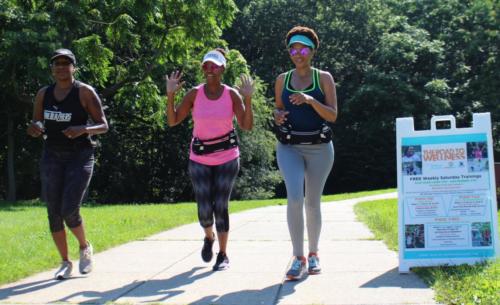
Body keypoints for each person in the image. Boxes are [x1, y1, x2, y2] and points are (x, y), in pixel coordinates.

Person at [166, 48, 255, 271]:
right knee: (204, 209)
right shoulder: (195, 94)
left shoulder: (231, 95)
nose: (210, 70)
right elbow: (173, 120)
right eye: (206, 66)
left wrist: (248, 98)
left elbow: (246, 125)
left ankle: (223, 255)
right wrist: (170, 95)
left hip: (227, 157)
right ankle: (209, 237)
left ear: (223, 68)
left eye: (214, 66)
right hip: (200, 158)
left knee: (221, 205)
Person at [26, 48, 109, 280]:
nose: (61, 67)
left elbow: (104, 125)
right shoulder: (44, 93)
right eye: (57, 63)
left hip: (80, 155)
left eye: (66, 63)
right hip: (52, 154)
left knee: (69, 208)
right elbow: (36, 122)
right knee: (53, 213)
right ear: (52, 68)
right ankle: (64, 262)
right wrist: (35, 128)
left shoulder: (83, 92)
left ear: (74, 67)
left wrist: (83, 129)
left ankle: (84, 247)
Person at [273, 26, 337, 280]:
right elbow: (278, 112)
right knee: (295, 198)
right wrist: (277, 116)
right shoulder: (282, 80)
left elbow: (333, 115)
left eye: (302, 48)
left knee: (312, 202)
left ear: (312, 51)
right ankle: (297, 257)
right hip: (290, 146)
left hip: (320, 148)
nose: (297, 53)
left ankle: (314, 253)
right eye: (293, 49)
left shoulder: (324, 78)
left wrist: (310, 100)